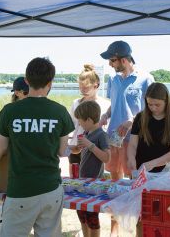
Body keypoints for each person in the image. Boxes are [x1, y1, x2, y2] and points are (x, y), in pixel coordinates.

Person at [0, 57, 74, 236]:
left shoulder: (10, 111)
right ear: (50, 82)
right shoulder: (59, 111)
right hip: (50, 187)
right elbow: (62, 151)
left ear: (27, 80)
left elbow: (1, 149)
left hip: (21, 189)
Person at [100, 40, 154, 236]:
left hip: (135, 140)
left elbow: (152, 109)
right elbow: (115, 103)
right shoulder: (113, 80)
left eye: (112, 60)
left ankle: (135, 227)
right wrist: (106, 114)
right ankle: (115, 229)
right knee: (115, 184)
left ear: (124, 59)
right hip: (113, 138)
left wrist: (132, 123)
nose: (110, 65)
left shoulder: (146, 79)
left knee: (134, 184)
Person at [70, 100, 110, 237]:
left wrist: (90, 145)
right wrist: (73, 148)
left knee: (92, 218)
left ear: (88, 119)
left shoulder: (101, 135)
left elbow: (106, 157)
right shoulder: (87, 134)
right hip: (83, 181)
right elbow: (77, 151)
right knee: (81, 213)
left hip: (94, 183)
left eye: (80, 121)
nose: (79, 124)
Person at [127, 82, 170, 173]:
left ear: (166, 102)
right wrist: (131, 158)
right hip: (140, 171)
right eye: (150, 104)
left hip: (165, 173)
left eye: (157, 105)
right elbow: (132, 144)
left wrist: (152, 164)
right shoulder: (140, 118)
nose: (153, 108)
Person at [68, 64, 110, 178]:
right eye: (81, 87)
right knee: (75, 177)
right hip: (78, 144)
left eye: (86, 87)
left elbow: (106, 155)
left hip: (95, 147)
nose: (83, 90)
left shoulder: (105, 104)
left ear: (96, 85)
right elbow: (72, 125)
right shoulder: (76, 103)